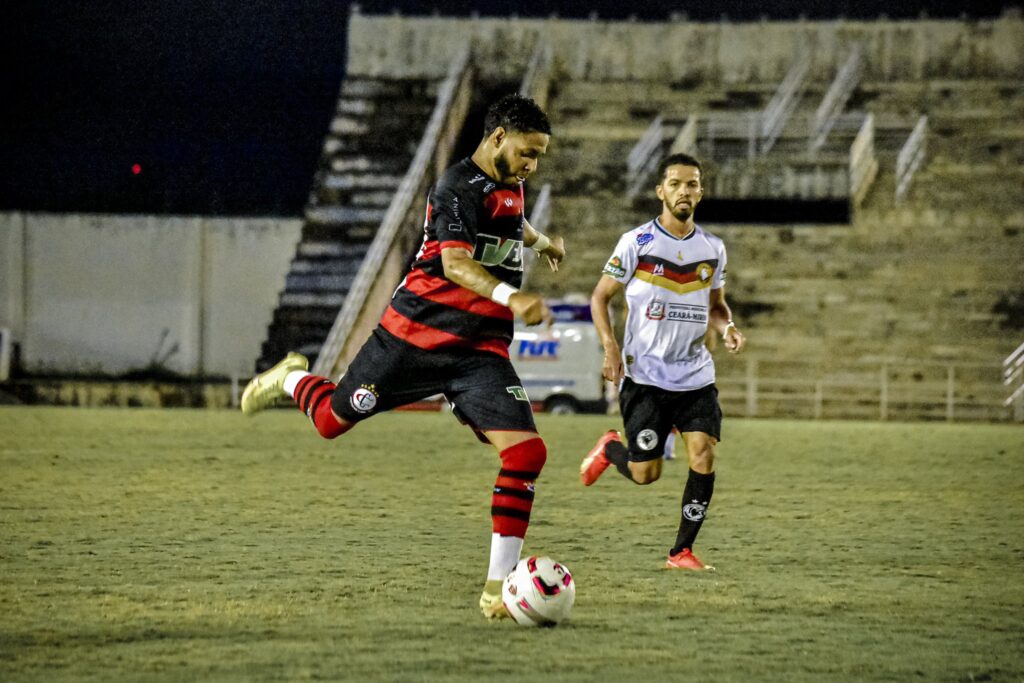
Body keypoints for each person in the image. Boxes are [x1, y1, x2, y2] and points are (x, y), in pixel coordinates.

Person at [241, 94, 565, 619]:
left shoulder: (511, 185)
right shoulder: (454, 186)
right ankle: (292, 379)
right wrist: (513, 297)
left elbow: (511, 226)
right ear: (498, 137)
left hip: (479, 351)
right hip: (412, 339)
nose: (532, 166)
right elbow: (456, 264)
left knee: (526, 454)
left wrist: (543, 242)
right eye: (528, 153)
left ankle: (497, 588)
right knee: (329, 421)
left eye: (539, 157)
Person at [579, 152, 746, 571]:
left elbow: (717, 307)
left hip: (695, 374)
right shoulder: (637, 243)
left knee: (703, 454)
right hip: (646, 376)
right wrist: (610, 348)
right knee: (645, 474)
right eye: (675, 184)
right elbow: (600, 297)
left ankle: (681, 552)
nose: (683, 191)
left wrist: (727, 329)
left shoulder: (713, 249)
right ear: (661, 191)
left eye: (691, 184)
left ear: (701, 192)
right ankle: (611, 448)